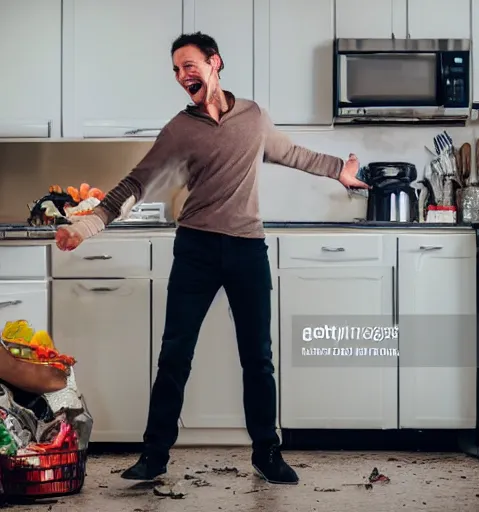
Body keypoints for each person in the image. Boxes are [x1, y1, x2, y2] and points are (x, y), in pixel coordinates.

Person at [55, 32, 368, 485]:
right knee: (175, 355)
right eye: (177, 70)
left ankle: (267, 452)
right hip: (196, 249)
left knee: (258, 358)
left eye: (189, 65)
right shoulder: (179, 129)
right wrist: (85, 228)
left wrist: (339, 169)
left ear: (214, 63)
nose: (183, 76)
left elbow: (291, 153)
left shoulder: (253, 117)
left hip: (247, 248)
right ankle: (155, 455)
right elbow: (135, 184)